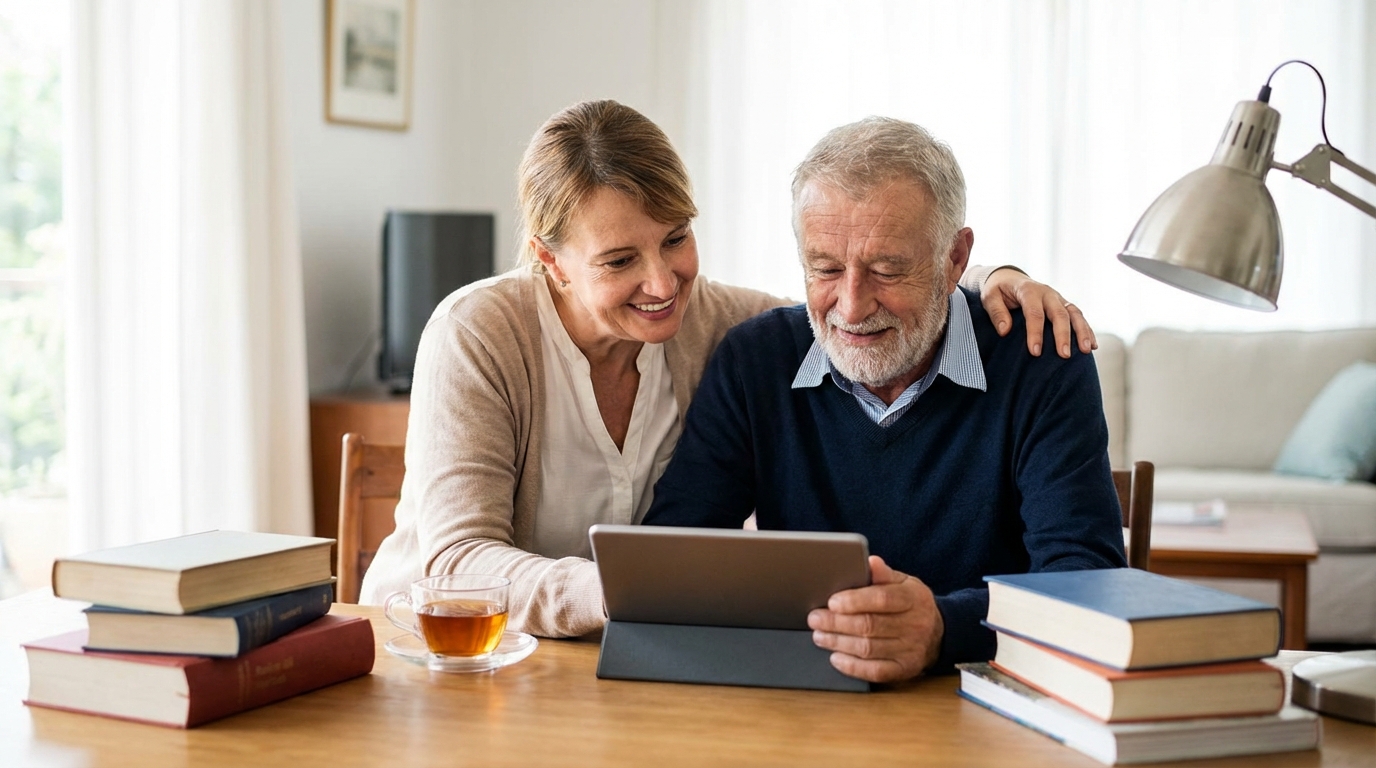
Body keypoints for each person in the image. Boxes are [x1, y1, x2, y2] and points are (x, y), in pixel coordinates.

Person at [359, 101, 1100, 638]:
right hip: (445, 641)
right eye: (618, 260)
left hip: (630, 638)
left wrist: (997, 281)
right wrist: (636, 588)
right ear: (550, 262)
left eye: (675, 238)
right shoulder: (482, 332)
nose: (662, 283)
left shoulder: (727, 326)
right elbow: (464, 562)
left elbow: (855, 316)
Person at [641, 116, 1127, 681]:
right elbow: (670, 559)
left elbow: (1085, 582)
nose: (851, 306)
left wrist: (944, 627)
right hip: (800, 693)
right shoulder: (755, 360)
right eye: (825, 269)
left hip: (983, 695)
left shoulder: (1041, 357)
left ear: (955, 259)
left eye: (887, 270)